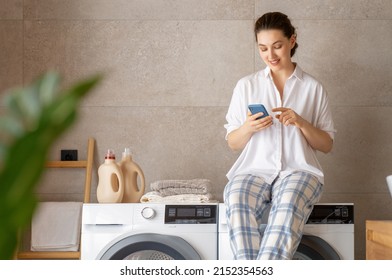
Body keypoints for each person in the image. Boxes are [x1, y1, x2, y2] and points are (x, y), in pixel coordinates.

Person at [223, 11, 335, 260]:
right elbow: (233, 143)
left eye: (277, 46)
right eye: (263, 49)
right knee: (235, 196)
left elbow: (326, 144)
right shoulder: (246, 86)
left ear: (291, 41)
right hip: (254, 170)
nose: (270, 56)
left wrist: (301, 122)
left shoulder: (313, 88)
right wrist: (249, 127)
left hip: (300, 171)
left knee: (288, 204)